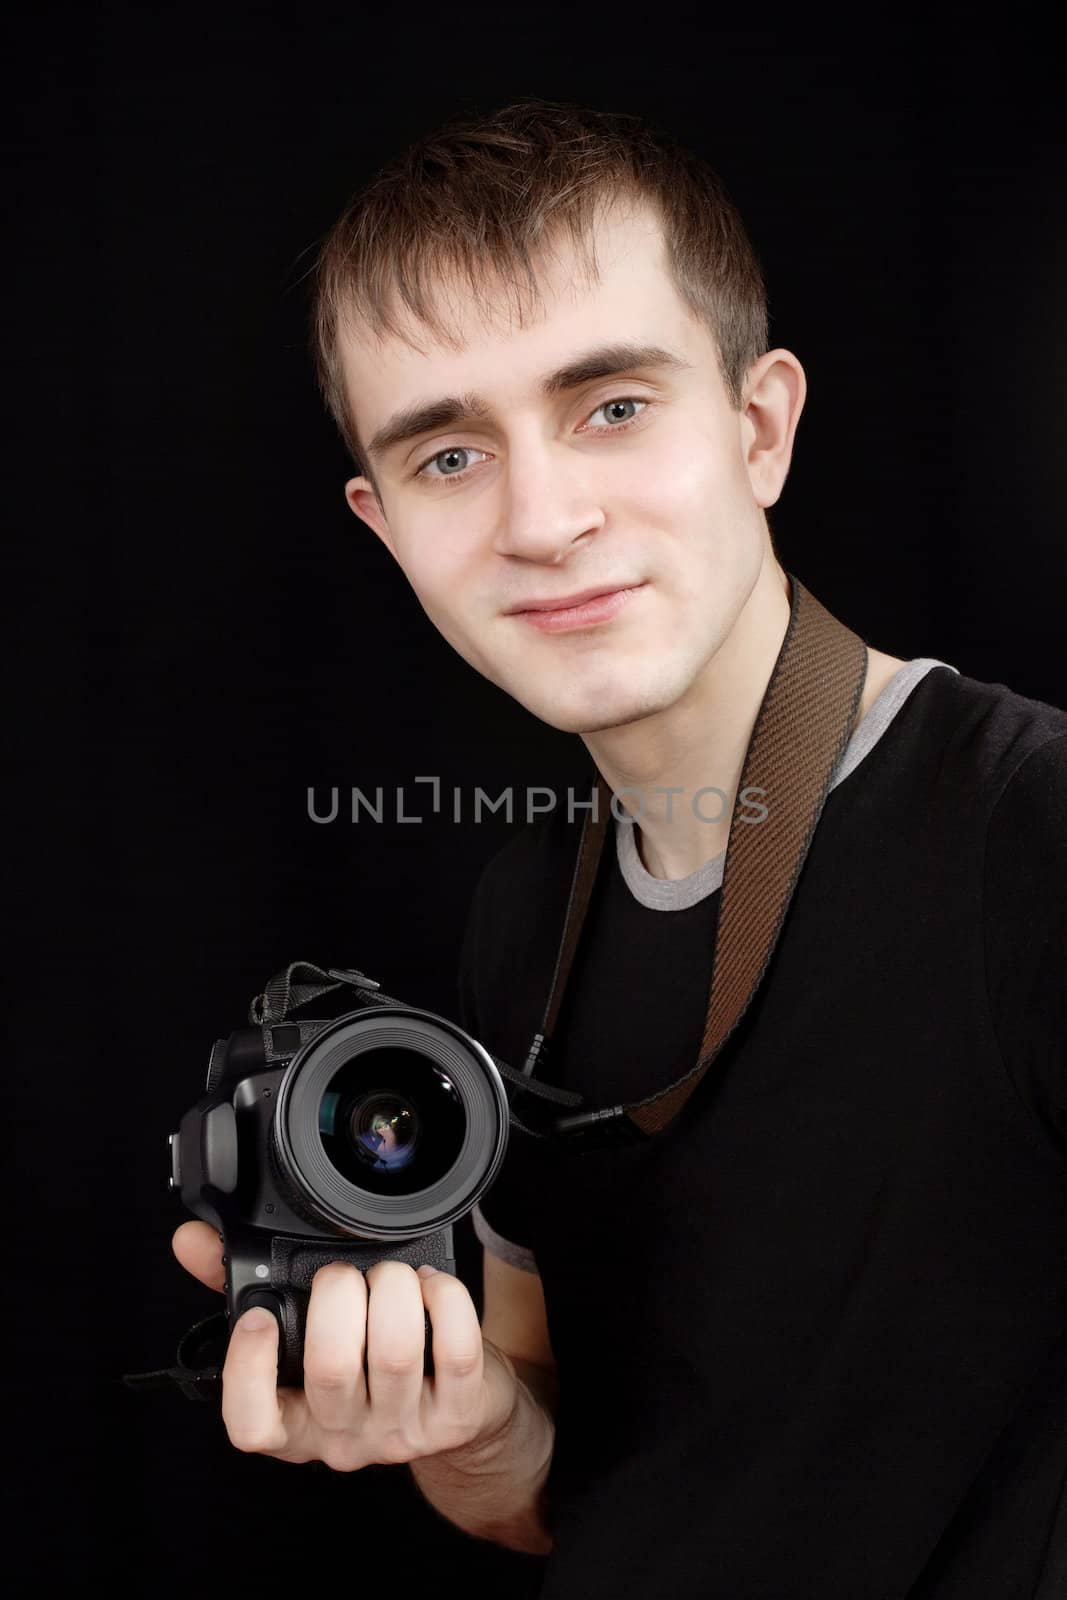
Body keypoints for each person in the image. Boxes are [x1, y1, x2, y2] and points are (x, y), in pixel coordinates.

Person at [171, 98, 1067, 1597]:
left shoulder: (1032, 834)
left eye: (614, 407)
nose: (545, 517)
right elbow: (562, 1496)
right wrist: (459, 1430)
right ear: (384, 529)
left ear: (761, 427)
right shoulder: (529, 911)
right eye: (448, 457)